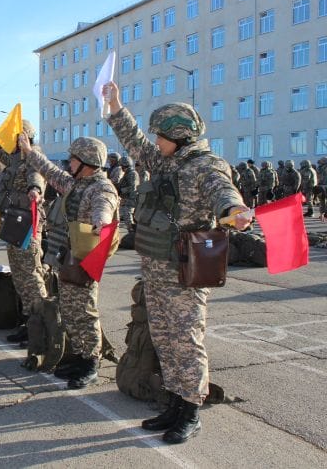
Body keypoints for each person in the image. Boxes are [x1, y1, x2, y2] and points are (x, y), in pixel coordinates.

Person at [103, 81, 251, 444]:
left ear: (180, 136)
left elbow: (223, 191)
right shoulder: (165, 161)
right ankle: (173, 402)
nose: (155, 141)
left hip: (185, 271)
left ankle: (191, 410)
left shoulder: (205, 166)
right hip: (156, 270)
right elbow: (134, 142)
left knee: (186, 341)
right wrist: (116, 106)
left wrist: (234, 209)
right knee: (164, 339)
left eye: (161, 135)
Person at [20, 134, 119, 389]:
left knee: (84, 310)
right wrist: (29, 152)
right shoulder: (77, 183)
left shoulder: (102, 188)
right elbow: (50, 171)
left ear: (86, 161)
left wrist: (101, 221)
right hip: (70, 256)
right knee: (69, 309)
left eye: (73, 159)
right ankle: (78, 355)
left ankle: (91, 362)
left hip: (87, 257)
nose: (69, 163)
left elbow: (104, 207)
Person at [0, 112, 47, 344]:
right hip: (13, 223)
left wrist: (35, 191)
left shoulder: (33, 157)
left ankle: (41, 324)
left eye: (16, 138)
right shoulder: (14, 160)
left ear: (25, 138)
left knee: (31, 276)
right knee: (19, 275)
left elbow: (37, 177)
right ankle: (29, 321)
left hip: (27, 224)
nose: (12, 142)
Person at [116, 155, 139, 230]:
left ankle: (133, 231)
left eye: (122, 166)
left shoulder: (132, 174)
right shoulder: (127, 173)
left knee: (128, 217)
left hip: (130, 199)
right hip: (126, 198)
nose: (121, 168)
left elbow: (133, 188)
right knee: (126, 217)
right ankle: (132, 231)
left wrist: (122, 190)